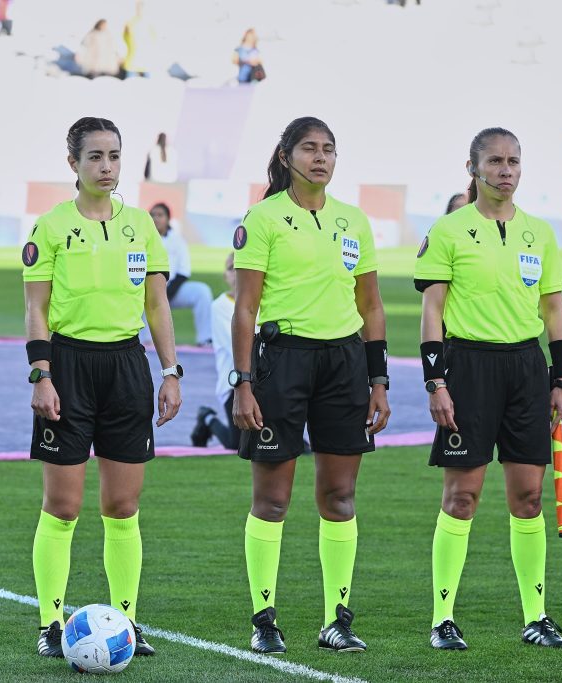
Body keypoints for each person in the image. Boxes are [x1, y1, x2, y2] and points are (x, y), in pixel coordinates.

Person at [23, 116, 181, 659]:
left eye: (113, 155)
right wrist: (42, 374)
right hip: (67, 366)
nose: (106, 166)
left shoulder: (141, 226)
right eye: (95, 156)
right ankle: (50, 624)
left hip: (127, 367)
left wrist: (170, 371)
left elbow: (157, 304)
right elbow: (36, 309)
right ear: (73, 163)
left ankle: (127, 623)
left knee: (123, 504)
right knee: (63, 505)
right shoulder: (50, 227)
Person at [232, 116, 390, 654]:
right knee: (272, 500)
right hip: (282, 362)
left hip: (345, 364)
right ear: (286, 156)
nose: (320, 158)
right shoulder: (263, 218)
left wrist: (378, 380)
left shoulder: (353, 221)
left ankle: (336, 621)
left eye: (329, 149)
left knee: (340, 497)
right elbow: (246, 308)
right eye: (309, 148)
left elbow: (371, 306)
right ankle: (264, 621)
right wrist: (243, 383)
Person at [415, 127, 562, 651]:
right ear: (473, 168)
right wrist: (436, 381)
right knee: (462, 497)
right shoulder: (449, 230)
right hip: (468, 368)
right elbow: (432, 310)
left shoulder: (539, 233)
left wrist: (561, 378)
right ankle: (442, 619)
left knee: (528, 498)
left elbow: (554, 307)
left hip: (526, 369)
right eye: (495, 161)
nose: (506, 170)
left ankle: (536, 617)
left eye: (514, 161)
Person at [191, 252, 240, 450]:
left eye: (241, 266)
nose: (236, 272)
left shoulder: (266, 302)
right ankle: (207, 418)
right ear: (225, 276)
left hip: (266, 380)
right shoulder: (220, 306)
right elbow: (236, 346)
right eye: (231, 268)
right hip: (235, 384)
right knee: (237, 444)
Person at [148, 202, 211, 345]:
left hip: (172, 289)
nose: (155, 218)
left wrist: (167, 293)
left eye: (160, 215)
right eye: (152, 215)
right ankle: (146, 341)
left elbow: (184, 271)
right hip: (149, 291)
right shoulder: (143, 238)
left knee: (202, 291)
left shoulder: (177, 240)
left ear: (168, 219)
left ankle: (205, 339)